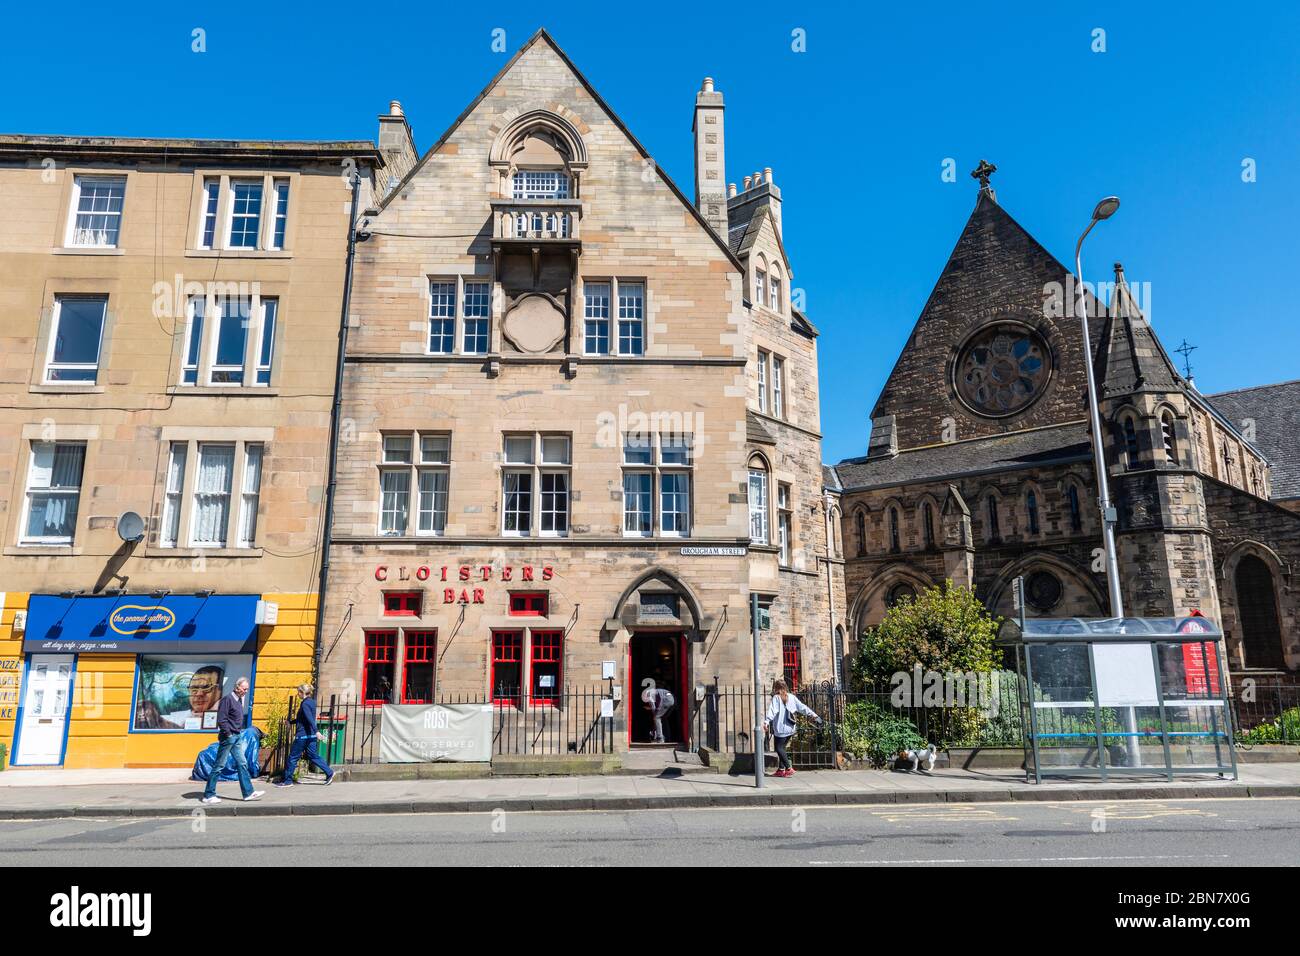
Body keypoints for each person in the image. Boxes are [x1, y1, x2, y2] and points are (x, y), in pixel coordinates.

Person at [201, 677, 263, 804]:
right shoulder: (227, 700)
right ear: (237, 687)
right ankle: (208, 795)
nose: (246, 691)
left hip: (237, 737)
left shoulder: (239, 700)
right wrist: (228, 734)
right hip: (228, 738)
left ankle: (248, 793)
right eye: (244, 688)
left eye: (247, 689)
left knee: (242, 763)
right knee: (219, 765)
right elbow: (222, 719)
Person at [275, 683, 335, 787]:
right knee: (313, 756)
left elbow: (309, 718)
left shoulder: (305, 704)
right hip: (311, 735)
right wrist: (291, 722)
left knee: (293, 757)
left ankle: (287, 781)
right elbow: (303, 719)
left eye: (299, 692)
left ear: (302, 692)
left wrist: (317, 731)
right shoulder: (312, 702)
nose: (298, 694)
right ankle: (329, 772)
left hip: (303, 736)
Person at [762, 679, 820, 777]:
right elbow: (802, 707)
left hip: (780, 729)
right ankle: (781, 770)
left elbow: (772, 711)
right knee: (782, 748)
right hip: (790, 728)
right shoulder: (792, 697)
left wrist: (766, 721)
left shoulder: (776, 698)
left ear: (776, 688)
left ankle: (789, 768)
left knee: (779, 748)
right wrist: (814, 715)